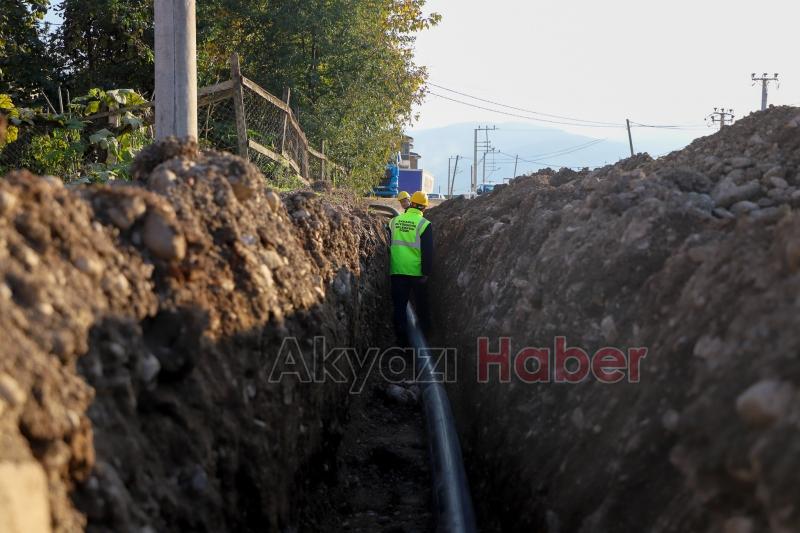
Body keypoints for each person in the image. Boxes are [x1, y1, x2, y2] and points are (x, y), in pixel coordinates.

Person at [389, 191, 433, 345]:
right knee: (422, 305)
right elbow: (428, 252)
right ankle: (425, 336)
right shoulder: (424, 224)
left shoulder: (394, 221)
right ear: (424, 208)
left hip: (397, 271)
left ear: (411, 203)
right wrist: (426, 272)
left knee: (400, 306)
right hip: (417, 273)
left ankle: (401, 341)